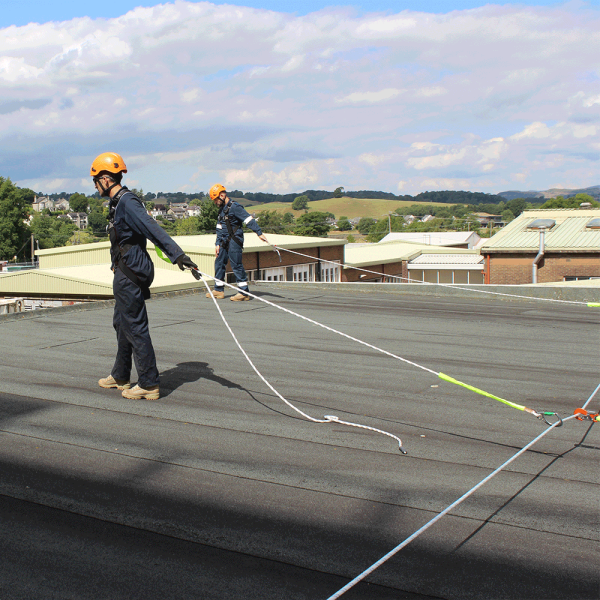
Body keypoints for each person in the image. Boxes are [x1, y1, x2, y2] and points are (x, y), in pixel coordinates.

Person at [91, 152, 198, 400]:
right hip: (127, 268)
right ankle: (120, 374)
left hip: (131, 270)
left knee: (135, 325)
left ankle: (149, 383)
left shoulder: (127, 202)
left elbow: (152, 229)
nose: (95, 186)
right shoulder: (118, 202)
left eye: (96, 181)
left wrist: (178, 256)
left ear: (106, 179)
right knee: (122, 322)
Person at [208, 183, 269, 301]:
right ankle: (218, 290)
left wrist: (259, 233)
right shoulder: (221, 210)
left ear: (221, 195)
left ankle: (244, 293)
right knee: (219, 262)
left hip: (235, 240)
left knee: (236, 264)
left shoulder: (235, 207)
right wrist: (217, 244)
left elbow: (248, 220)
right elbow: (219, 227)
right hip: (224, 240)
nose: (215, 202)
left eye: (215, 200)